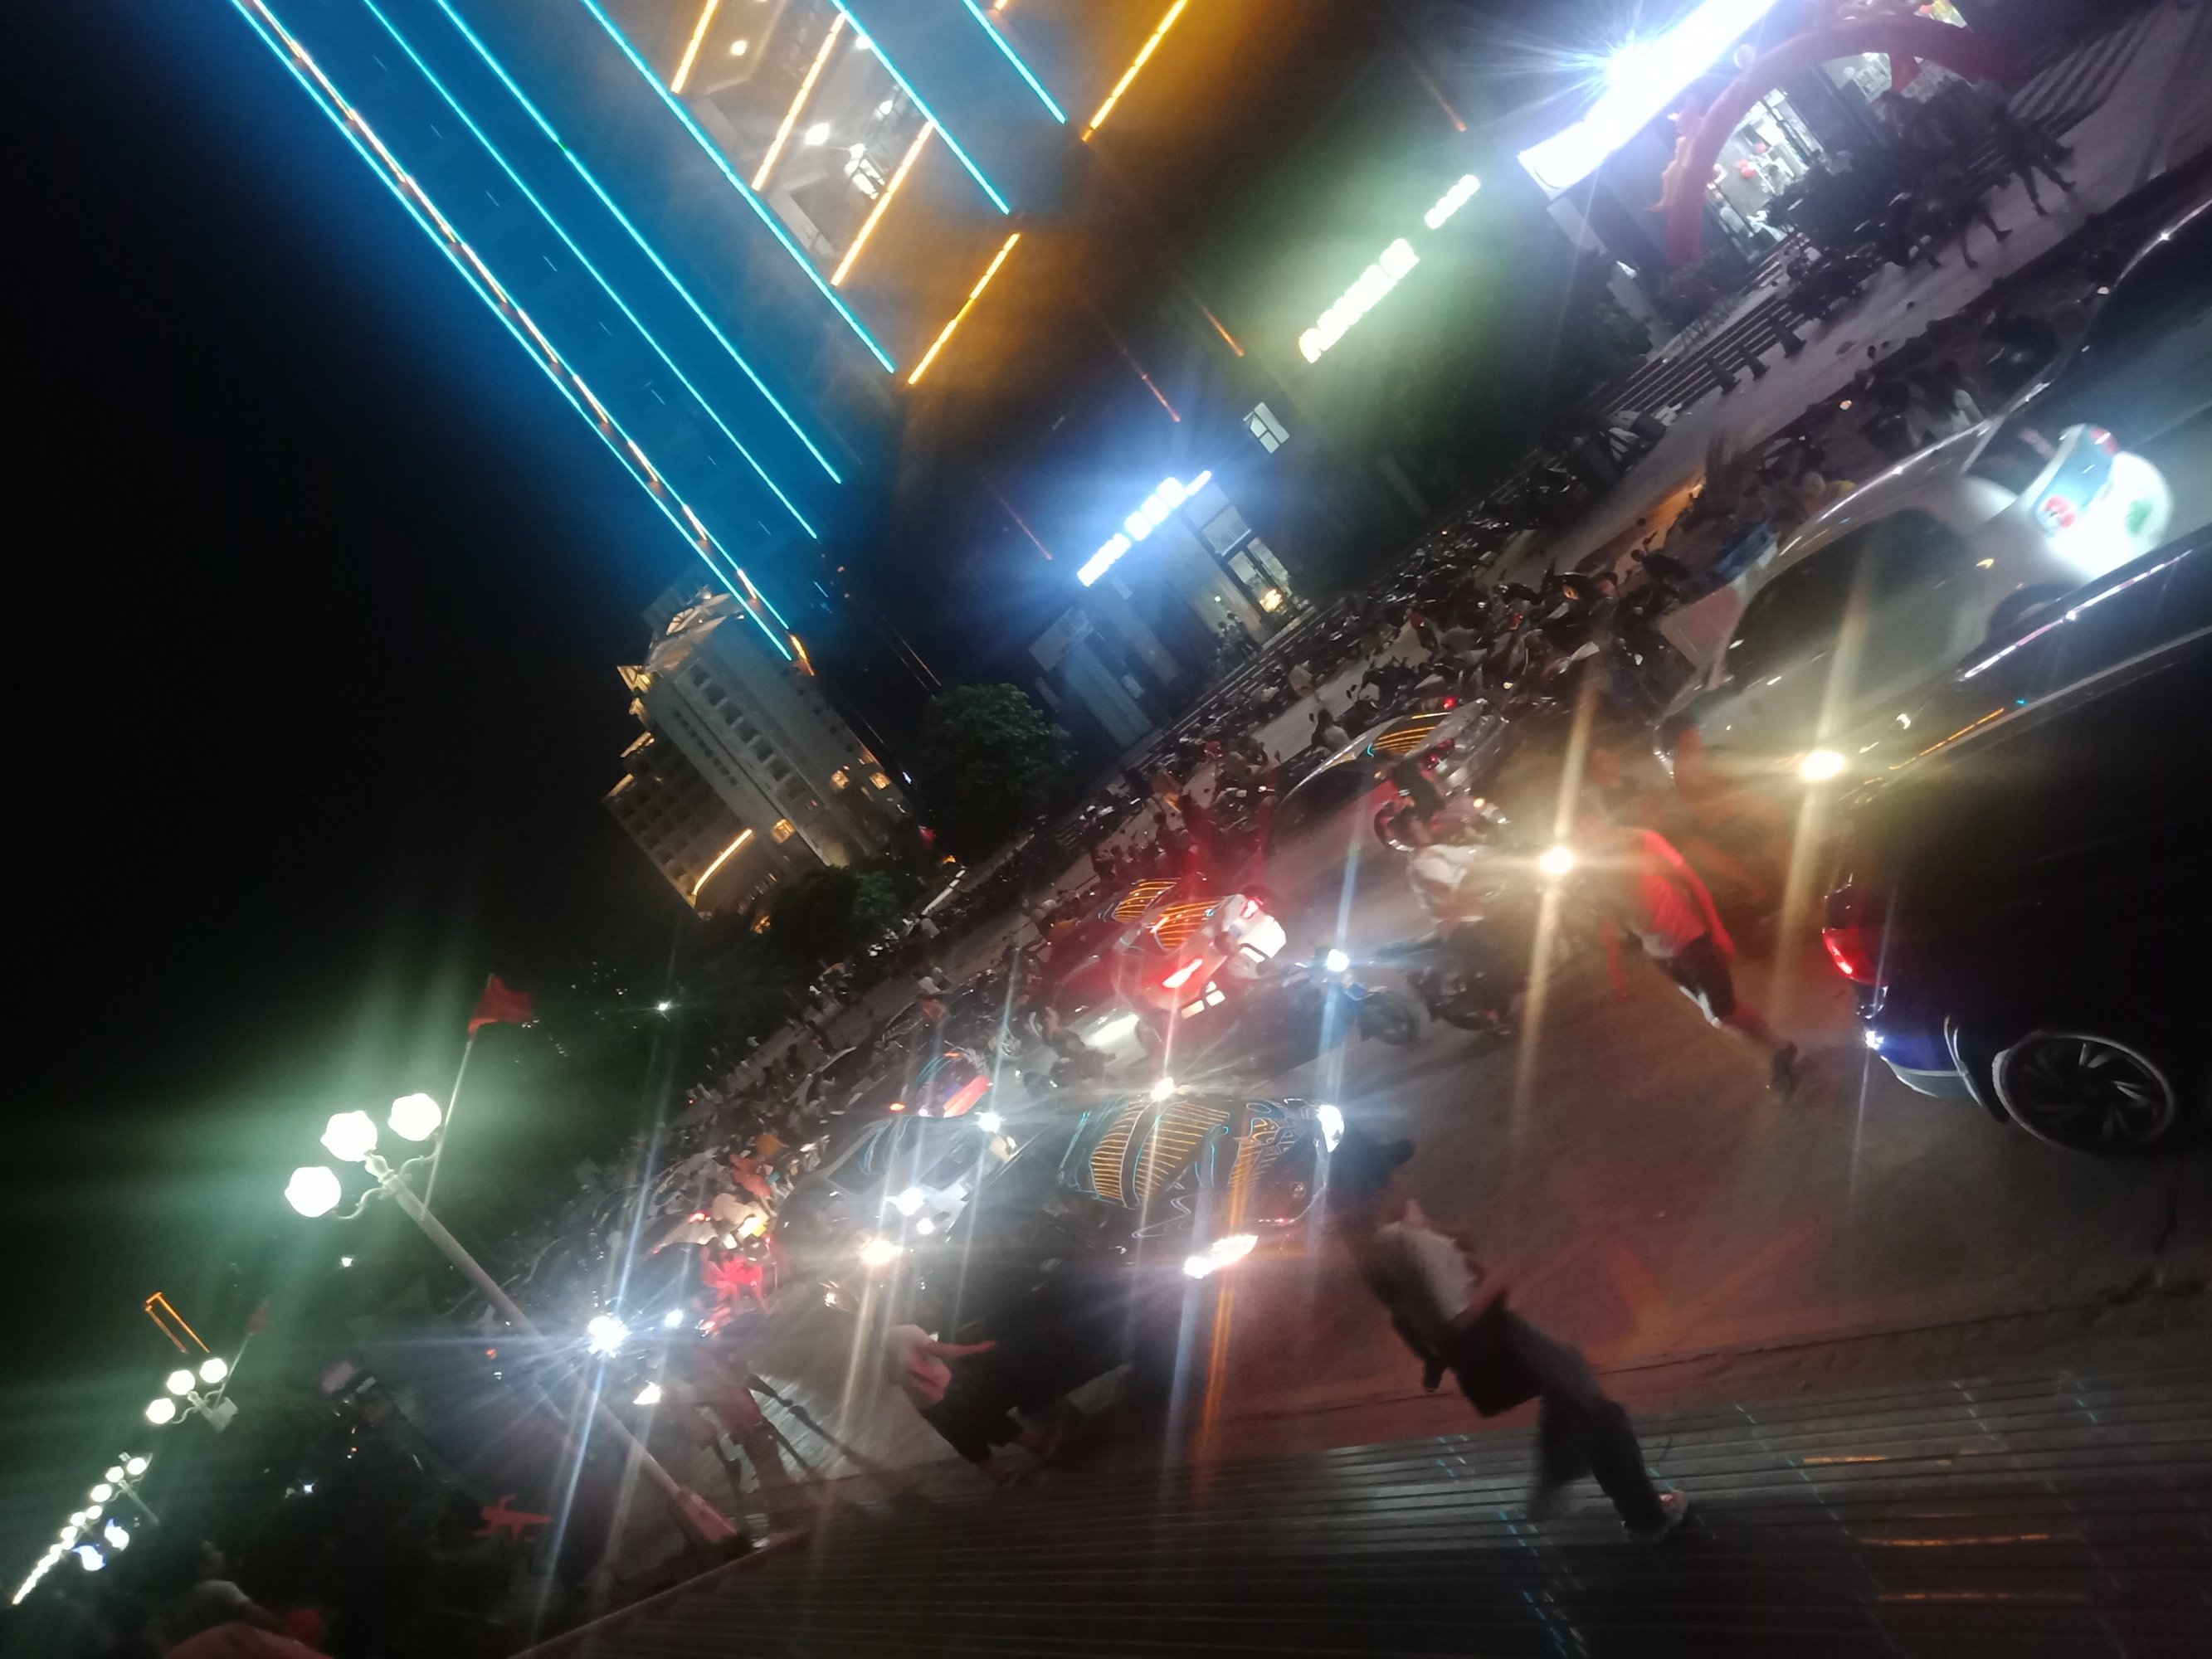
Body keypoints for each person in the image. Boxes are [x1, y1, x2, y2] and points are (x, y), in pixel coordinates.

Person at [1330, 1131, 1688, 1538]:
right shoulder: (1407, 1246)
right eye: (1397, 1173)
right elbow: (1454, 1322)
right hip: (1493, 1340)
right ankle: (1642, 1516)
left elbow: (1405, 1310)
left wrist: (1448, 1237)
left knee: (1572, 1385)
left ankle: (1558, 1482)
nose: (1405, 1178)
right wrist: (1496, 1281)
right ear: (1378, 1190)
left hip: (1487, 1343)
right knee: (1594, 1410)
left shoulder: (1375, 1241)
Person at [1572, 811, 1799, 1094]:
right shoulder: (1591, 868)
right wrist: (1615, 969)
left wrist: (1718, 930)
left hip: (1692, 937)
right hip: (1660, 953)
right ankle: (1778, 1049)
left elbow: (1690, 880)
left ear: (1597, 819)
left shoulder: (1641, 840)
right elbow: (1607, 920)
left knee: (1721, 1013)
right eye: (1575, 832)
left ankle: (1780, 1048)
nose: (1582, 834)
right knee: (1722, 1015)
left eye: (1584, 824)